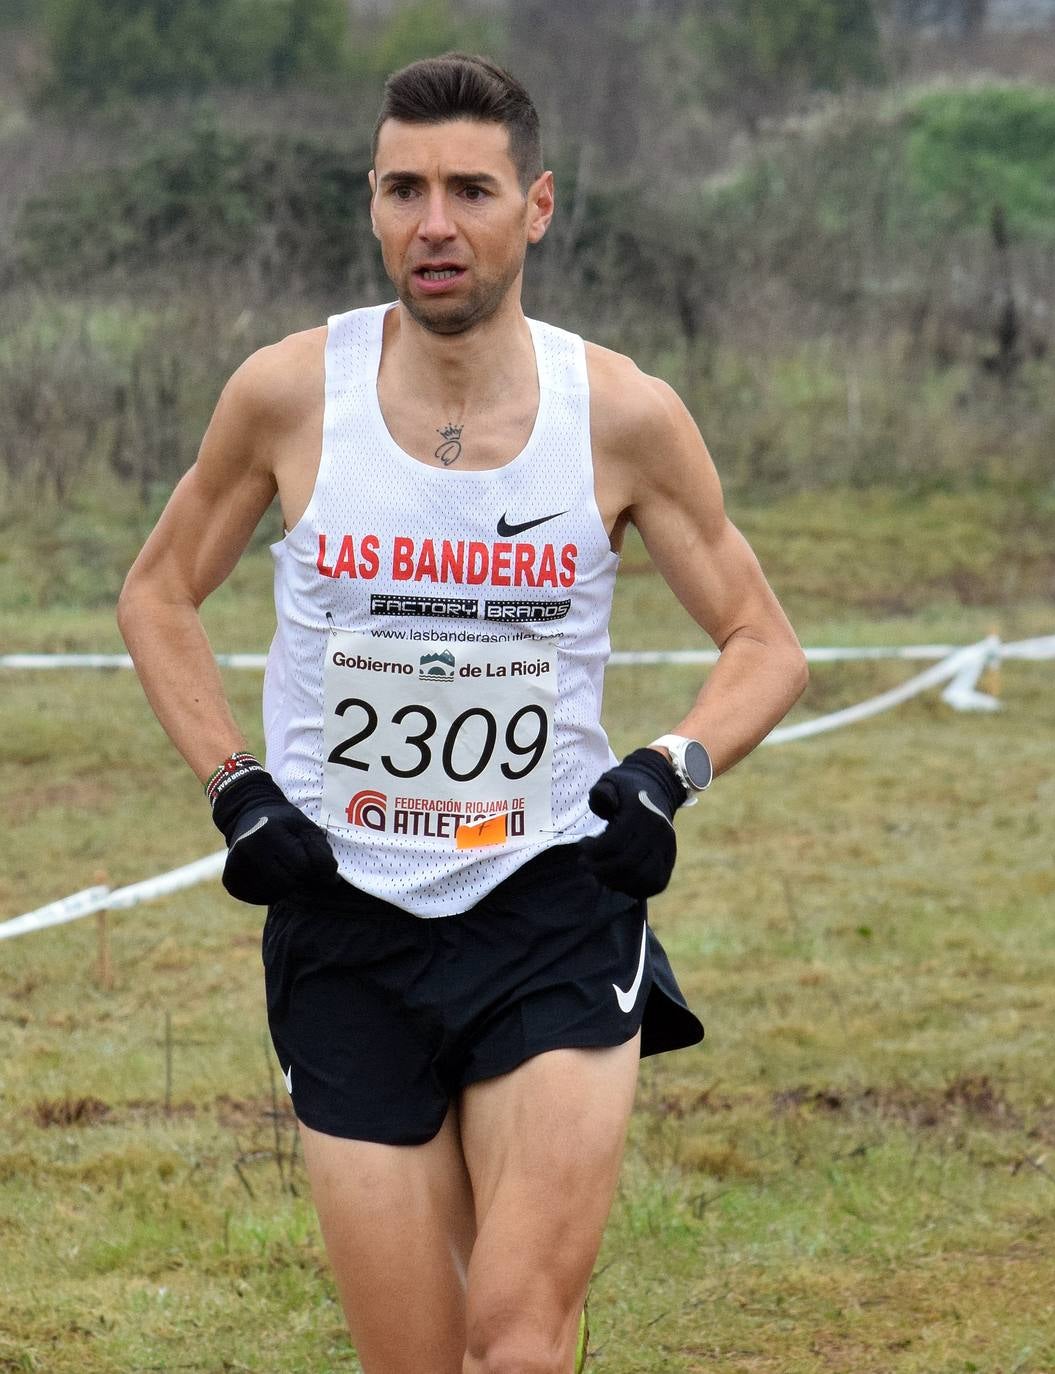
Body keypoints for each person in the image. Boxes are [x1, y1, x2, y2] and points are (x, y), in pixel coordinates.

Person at [117, 52, 808, 1374]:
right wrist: (235, 786)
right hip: (345, 925)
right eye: (404, 189)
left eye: (471, 190)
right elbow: (156, 595)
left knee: (516, 1345)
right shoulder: (283, 393)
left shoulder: (621, 413)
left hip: (550, 903)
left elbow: (765, 645)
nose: (435, 223)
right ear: (372, 202)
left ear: (535, 207)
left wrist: (669, 769)